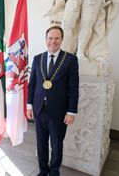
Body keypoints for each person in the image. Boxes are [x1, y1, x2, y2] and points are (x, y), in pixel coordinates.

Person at [27, 26, 79, 176]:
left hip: (59, 112)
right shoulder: (38, 58)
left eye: (56, 38)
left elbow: (73, 88)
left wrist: (71, 112)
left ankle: (54, 172)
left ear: (61, 40)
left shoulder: (70, 60)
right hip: (39, 110)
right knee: (41, 144)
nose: (53, 41)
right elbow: (32, 85)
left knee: (56, 146)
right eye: (50, 38)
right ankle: (43, 171)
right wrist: (29, 105)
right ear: (46, 39)